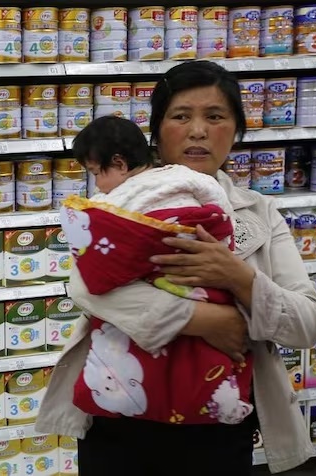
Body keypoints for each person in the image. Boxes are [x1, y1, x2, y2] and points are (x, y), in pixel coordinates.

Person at [35, 60, 316, 475]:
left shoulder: (259, 213)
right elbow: (85, 287)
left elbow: (309, 325)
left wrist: (236, 275)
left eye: (215, 116)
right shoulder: (119, 203)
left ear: (236, 130)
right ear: (156, 130)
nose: (198, 131)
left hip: (220, 425)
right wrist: (206, 319)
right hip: (118, 415)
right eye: (181, 116)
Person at [60, 115, 254, 426]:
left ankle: (132, 395)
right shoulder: (185, 176)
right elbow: (221, 211)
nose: (96, 184)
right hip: (202, 276)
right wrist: (222, 244)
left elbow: (93, 249)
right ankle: (222, 398)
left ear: (120, 164)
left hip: (153, 279)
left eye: (97, 173)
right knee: (206, 352)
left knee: (132, 353)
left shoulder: (112, 201)